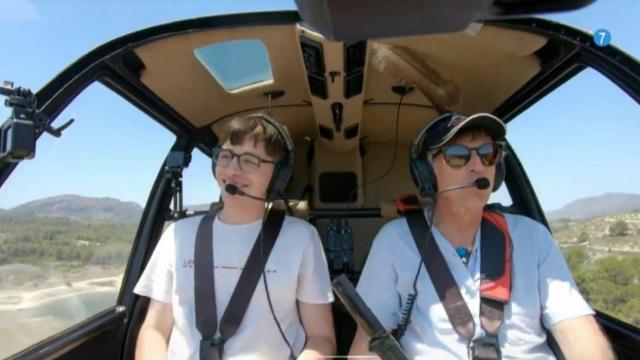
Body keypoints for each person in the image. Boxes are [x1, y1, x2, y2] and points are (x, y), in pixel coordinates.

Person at [349, 112, 614, 359]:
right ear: (427, 172)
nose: (477, 166)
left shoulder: (532, 237)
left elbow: (576, 328)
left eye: (488, 154)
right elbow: (368, 343)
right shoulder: (395, 241)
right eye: (457, 155)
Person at [134, 113, 335, 359]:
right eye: (226, 157)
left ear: (279, 176)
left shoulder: (302, 238)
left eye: (249, 161)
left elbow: (322, 338)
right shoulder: (178, 235)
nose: (232, 170)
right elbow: (154, 329)